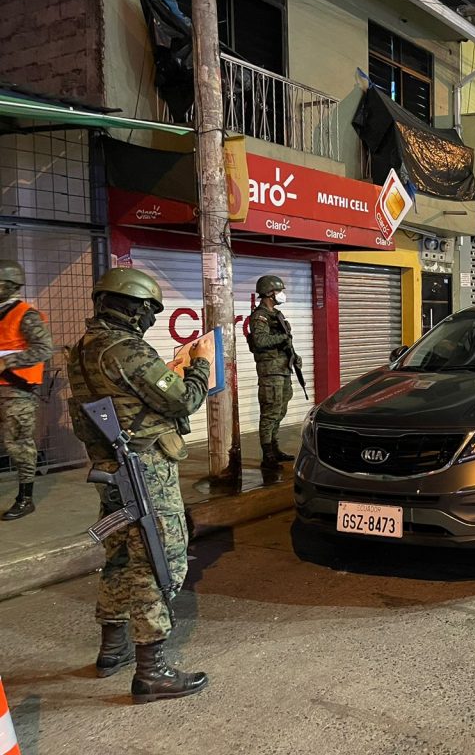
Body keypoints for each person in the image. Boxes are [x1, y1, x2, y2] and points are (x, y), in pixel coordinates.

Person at [67, 267, 214, 703]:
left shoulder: (84, 348)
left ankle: (113, 650)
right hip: (143, 469)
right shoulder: (126, 349)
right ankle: (152, 671)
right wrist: (201, 364)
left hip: (110, 468)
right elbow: (183, 400)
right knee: (156, 559)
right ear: (135, 309)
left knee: (118, 556)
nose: (150, 319)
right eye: (150, 311)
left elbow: (126, 396)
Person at [0, 261, 53, 521]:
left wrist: (8, 362)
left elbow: (44, 349)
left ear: (10, 285)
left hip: (16, 392)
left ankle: (25, 498)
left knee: (18, 444)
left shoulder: (26, 315)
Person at [248, 275, 302, 468]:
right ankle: (267, 454)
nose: (281, 294)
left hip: (283, 369)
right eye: (279, 291)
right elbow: (260, 341)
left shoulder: (277, 314)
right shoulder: (260, 316)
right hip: (270, 372)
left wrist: (294, 356)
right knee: (270, 412)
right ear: (269, 293)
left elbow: (286, 340)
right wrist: (281, 339)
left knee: (280, 410)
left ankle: (275, 447)